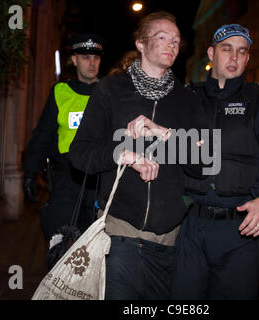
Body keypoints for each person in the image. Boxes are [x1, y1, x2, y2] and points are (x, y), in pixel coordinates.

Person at [69, 11, 207, 300]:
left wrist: (164, 132)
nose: (171, 45)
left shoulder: (188, 100)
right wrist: (123, 155)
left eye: (176, 40)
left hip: (167, 240)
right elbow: (80, 154)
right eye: (162, 37)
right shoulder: (111, 90)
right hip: (118, 233)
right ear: (141, 44)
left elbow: (206, 163)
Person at [171, 24, 259, 299]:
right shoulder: (187, 98)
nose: (234, 58)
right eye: (226, 50)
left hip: (240, 229)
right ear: (211, 54)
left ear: (248, 58)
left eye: (242, 51)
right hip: (189, 225)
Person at [22, 33, 105, 240]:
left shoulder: (108, 92)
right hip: (66, 180)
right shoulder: (61, 91)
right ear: (75, 60)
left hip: (99, 180)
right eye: (86, 57)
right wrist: (30, 173)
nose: (92, 62)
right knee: (59, 241)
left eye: (96, 57)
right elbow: (43, 134)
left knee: (94, 245)